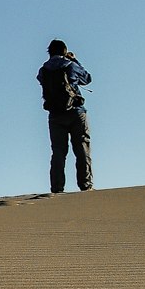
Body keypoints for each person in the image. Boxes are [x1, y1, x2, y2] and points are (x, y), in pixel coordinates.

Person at [37, 39, 93, 193]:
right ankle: (85, 185)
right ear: (64, 50)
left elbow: (40, 81)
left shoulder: (43, 70)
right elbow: (87, 79)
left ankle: (57, 187)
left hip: (55, 115)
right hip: (76, 112)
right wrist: (73, 59)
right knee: (81, 148)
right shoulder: (70, 65)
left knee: (58, 152)